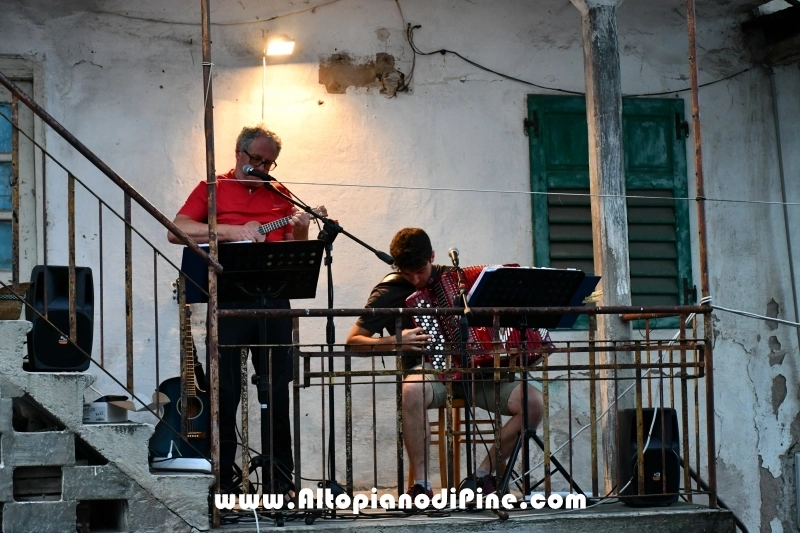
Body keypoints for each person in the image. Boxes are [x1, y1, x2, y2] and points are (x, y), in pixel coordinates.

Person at [345, 228, 544, 498]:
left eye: (420, 270)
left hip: (478, 372)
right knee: (410, 390)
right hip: (432, 372)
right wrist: (395, 341)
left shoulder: (460, 281)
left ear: (432, 256)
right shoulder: (389, 290)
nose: (415, 279)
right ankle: (422, 485)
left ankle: (482, 476)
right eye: (407, 273)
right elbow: (353, 342)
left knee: (533, 403)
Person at [168, 125, 312, 495]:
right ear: (238, 153)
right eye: (256, 160)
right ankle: (223, 482)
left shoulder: (280, 194)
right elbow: (177, 229)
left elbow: (294, 250)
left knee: (276, 392)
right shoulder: (212, 188)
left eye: (268, 163)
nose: (261, 168)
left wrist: (301, 230)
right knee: (225, 391)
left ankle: (280, 482)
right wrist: (229, 231)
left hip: (273, 303)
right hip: (228, 301)